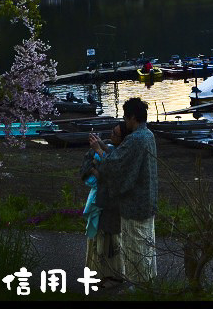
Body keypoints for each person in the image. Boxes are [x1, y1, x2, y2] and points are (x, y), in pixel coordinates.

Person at [91, 97, 158, 286]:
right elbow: (121, 156)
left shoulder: (136, 139)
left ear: (133, 117)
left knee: (135, 247)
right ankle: (148, 282)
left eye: (126, 118)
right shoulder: (148, 135)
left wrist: (98, 149)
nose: (125, 121)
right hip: (148, 200)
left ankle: (138, 286)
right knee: (146, 245)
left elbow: (115, 165)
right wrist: (104, 146)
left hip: (134, 204)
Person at [80, 123, 129, 283]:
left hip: (111, 203)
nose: (112, 136)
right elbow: (89, 167)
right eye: (112, 132)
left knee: (109, 236)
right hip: (102, 199)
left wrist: (97, 168)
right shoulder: (111, 149)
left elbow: (110, 174)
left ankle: (111, 274)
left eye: (115, 134)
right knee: (101, 235)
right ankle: (100, 272)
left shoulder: (122, 154)